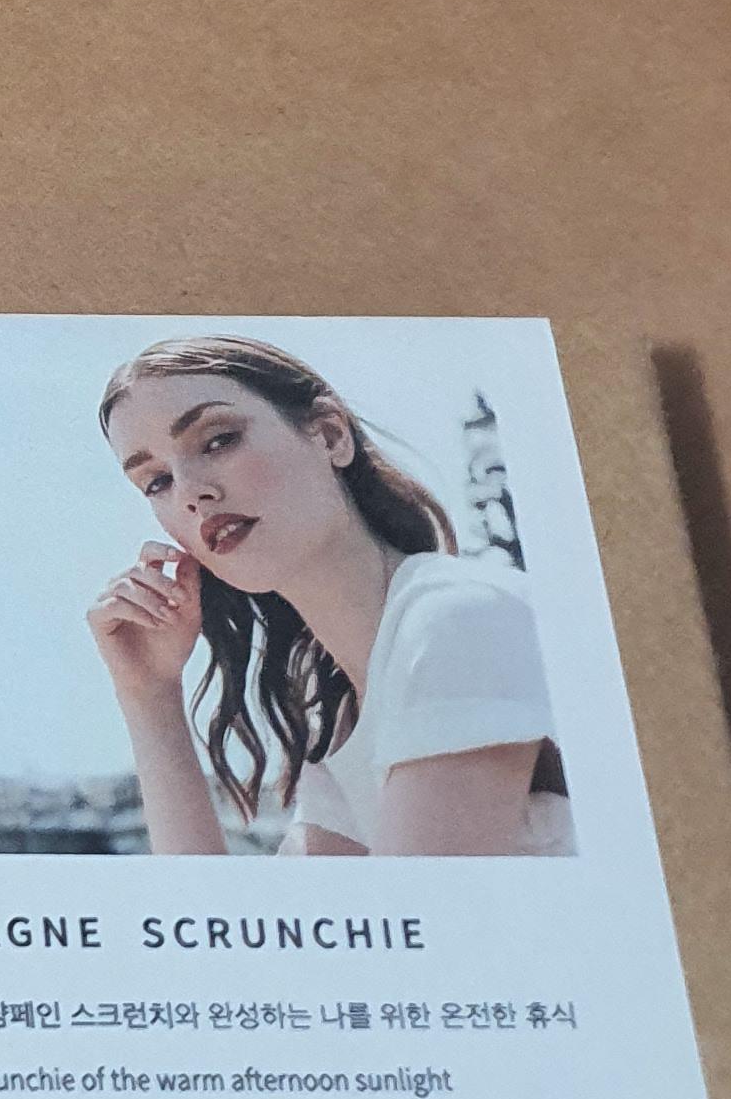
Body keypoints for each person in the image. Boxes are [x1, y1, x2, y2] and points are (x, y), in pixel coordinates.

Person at [85, 335, 572, 859]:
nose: (189, 492)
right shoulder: (344, 723)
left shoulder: (458, 621)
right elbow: (211, 913)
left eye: (219, 440)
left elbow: (419, 913)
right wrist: (149, 694)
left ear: (330, 434)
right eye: (156, 481)